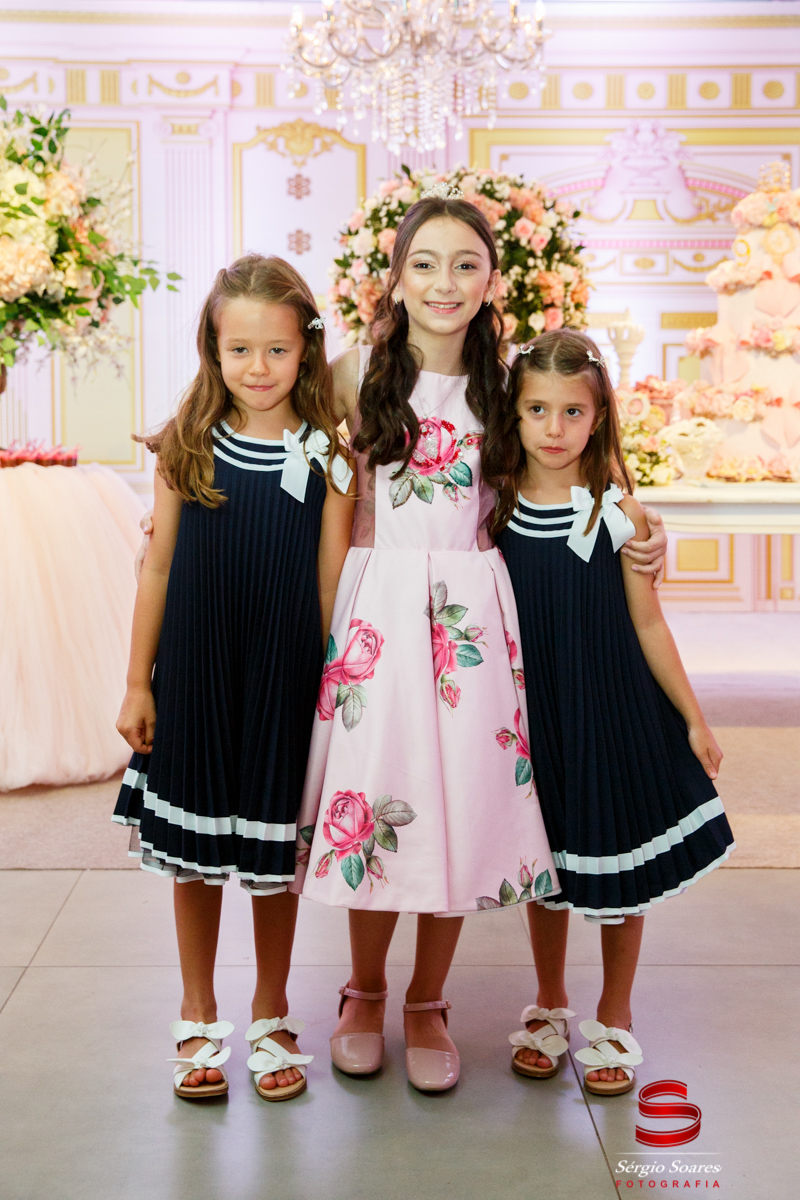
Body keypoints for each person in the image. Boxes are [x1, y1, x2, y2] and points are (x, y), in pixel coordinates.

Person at [289, 189, 668, 1095]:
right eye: (424, 264)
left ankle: (429, 998)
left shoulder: (508, 381)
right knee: (377, 800)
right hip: (379, 611)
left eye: (466, 265)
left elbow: (597, 464)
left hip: (472, 621)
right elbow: (280, 447)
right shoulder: (353, 374)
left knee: (454, 798)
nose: (445, 282)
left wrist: (650, 527)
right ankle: (364, 992)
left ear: (493, 279)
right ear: (395, 278)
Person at [114, 254, 355, 1103]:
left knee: (269, 854)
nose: (258, 368)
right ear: (212, 351)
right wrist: (138, 682)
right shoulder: (186, 444)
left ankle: (271, 1011)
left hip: (283, 677)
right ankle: (197, 1009)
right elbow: (157, 568)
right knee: (194, 855)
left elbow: (329, 584)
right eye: (239, 350)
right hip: (197, 671)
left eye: (277, 350)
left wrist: (329, 688)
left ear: (307, 350)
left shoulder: (330, 457)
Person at [492, 329, 735, 1096]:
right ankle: (549, 999)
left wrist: (693, 716)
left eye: (573, 411)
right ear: (513, 413)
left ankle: (615, 1012)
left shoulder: (618, 513)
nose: (554, 428)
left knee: (618, 864)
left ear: (599, 418)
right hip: (533, 715)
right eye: (537, 409)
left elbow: (649, 623)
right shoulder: (493, 509)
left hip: (607, 710)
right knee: (547, 865)